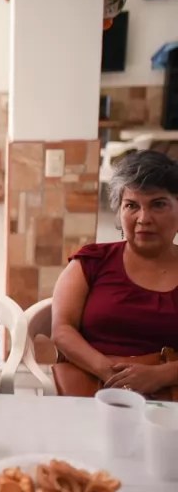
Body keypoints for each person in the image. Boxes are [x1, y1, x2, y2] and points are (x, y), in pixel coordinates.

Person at [51, 150, 178, 396]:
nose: (144, 218)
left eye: (158, 204)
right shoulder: (92, 262)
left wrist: (159, 376)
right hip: (94, 389)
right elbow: (62, 329)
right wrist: (110, 373)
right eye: (131, 205)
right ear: (119, 212)